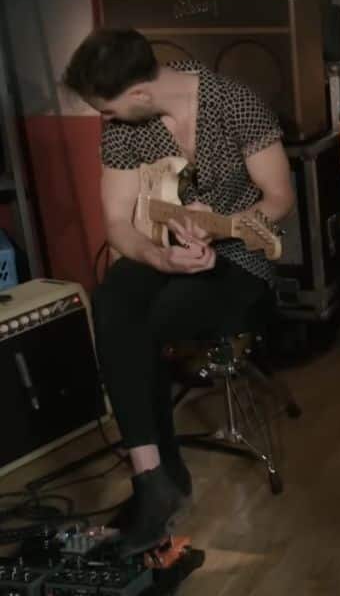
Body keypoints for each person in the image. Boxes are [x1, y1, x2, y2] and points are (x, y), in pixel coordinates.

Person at [63, 29, 295, 557]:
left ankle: (162, 481)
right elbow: (118, 225)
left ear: (140, 93)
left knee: (147, 323)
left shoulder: (234, 103)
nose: (105, 118)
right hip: (163, 250)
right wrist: (161, 257)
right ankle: (153, 480)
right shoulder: (125, 128)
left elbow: (279, 198)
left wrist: (221, 227)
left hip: (238, 255)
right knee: (113, 300)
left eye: (108, 108)